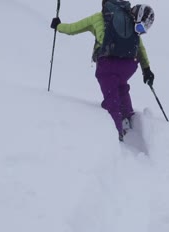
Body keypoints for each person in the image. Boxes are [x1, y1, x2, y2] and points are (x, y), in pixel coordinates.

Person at [50, 0, 155, 141]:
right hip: (129, 65)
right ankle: (129, 119)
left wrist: (58, 26)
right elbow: (140, 48)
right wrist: (146, 69)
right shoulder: (131, 19)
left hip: (108, 65)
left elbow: (73, 29)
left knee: (111, 98)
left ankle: (117, 134)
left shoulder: (98, 18)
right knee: (121, 87)